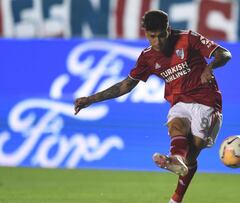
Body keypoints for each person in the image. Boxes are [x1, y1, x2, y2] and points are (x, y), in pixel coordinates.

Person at [74, 10, 231, 203]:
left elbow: (224, 54)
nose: (157, 42)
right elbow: (126, 85)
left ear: (168, 30)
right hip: (179, 102)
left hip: (206, 101)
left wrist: (210, 67)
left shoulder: (188, 39)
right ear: (146, 34)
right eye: (151, 36)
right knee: (176, 125)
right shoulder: (147, 57)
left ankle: (178, 184)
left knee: (192, 153)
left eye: (161, 35)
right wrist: (90, 99)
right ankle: (175, 163)